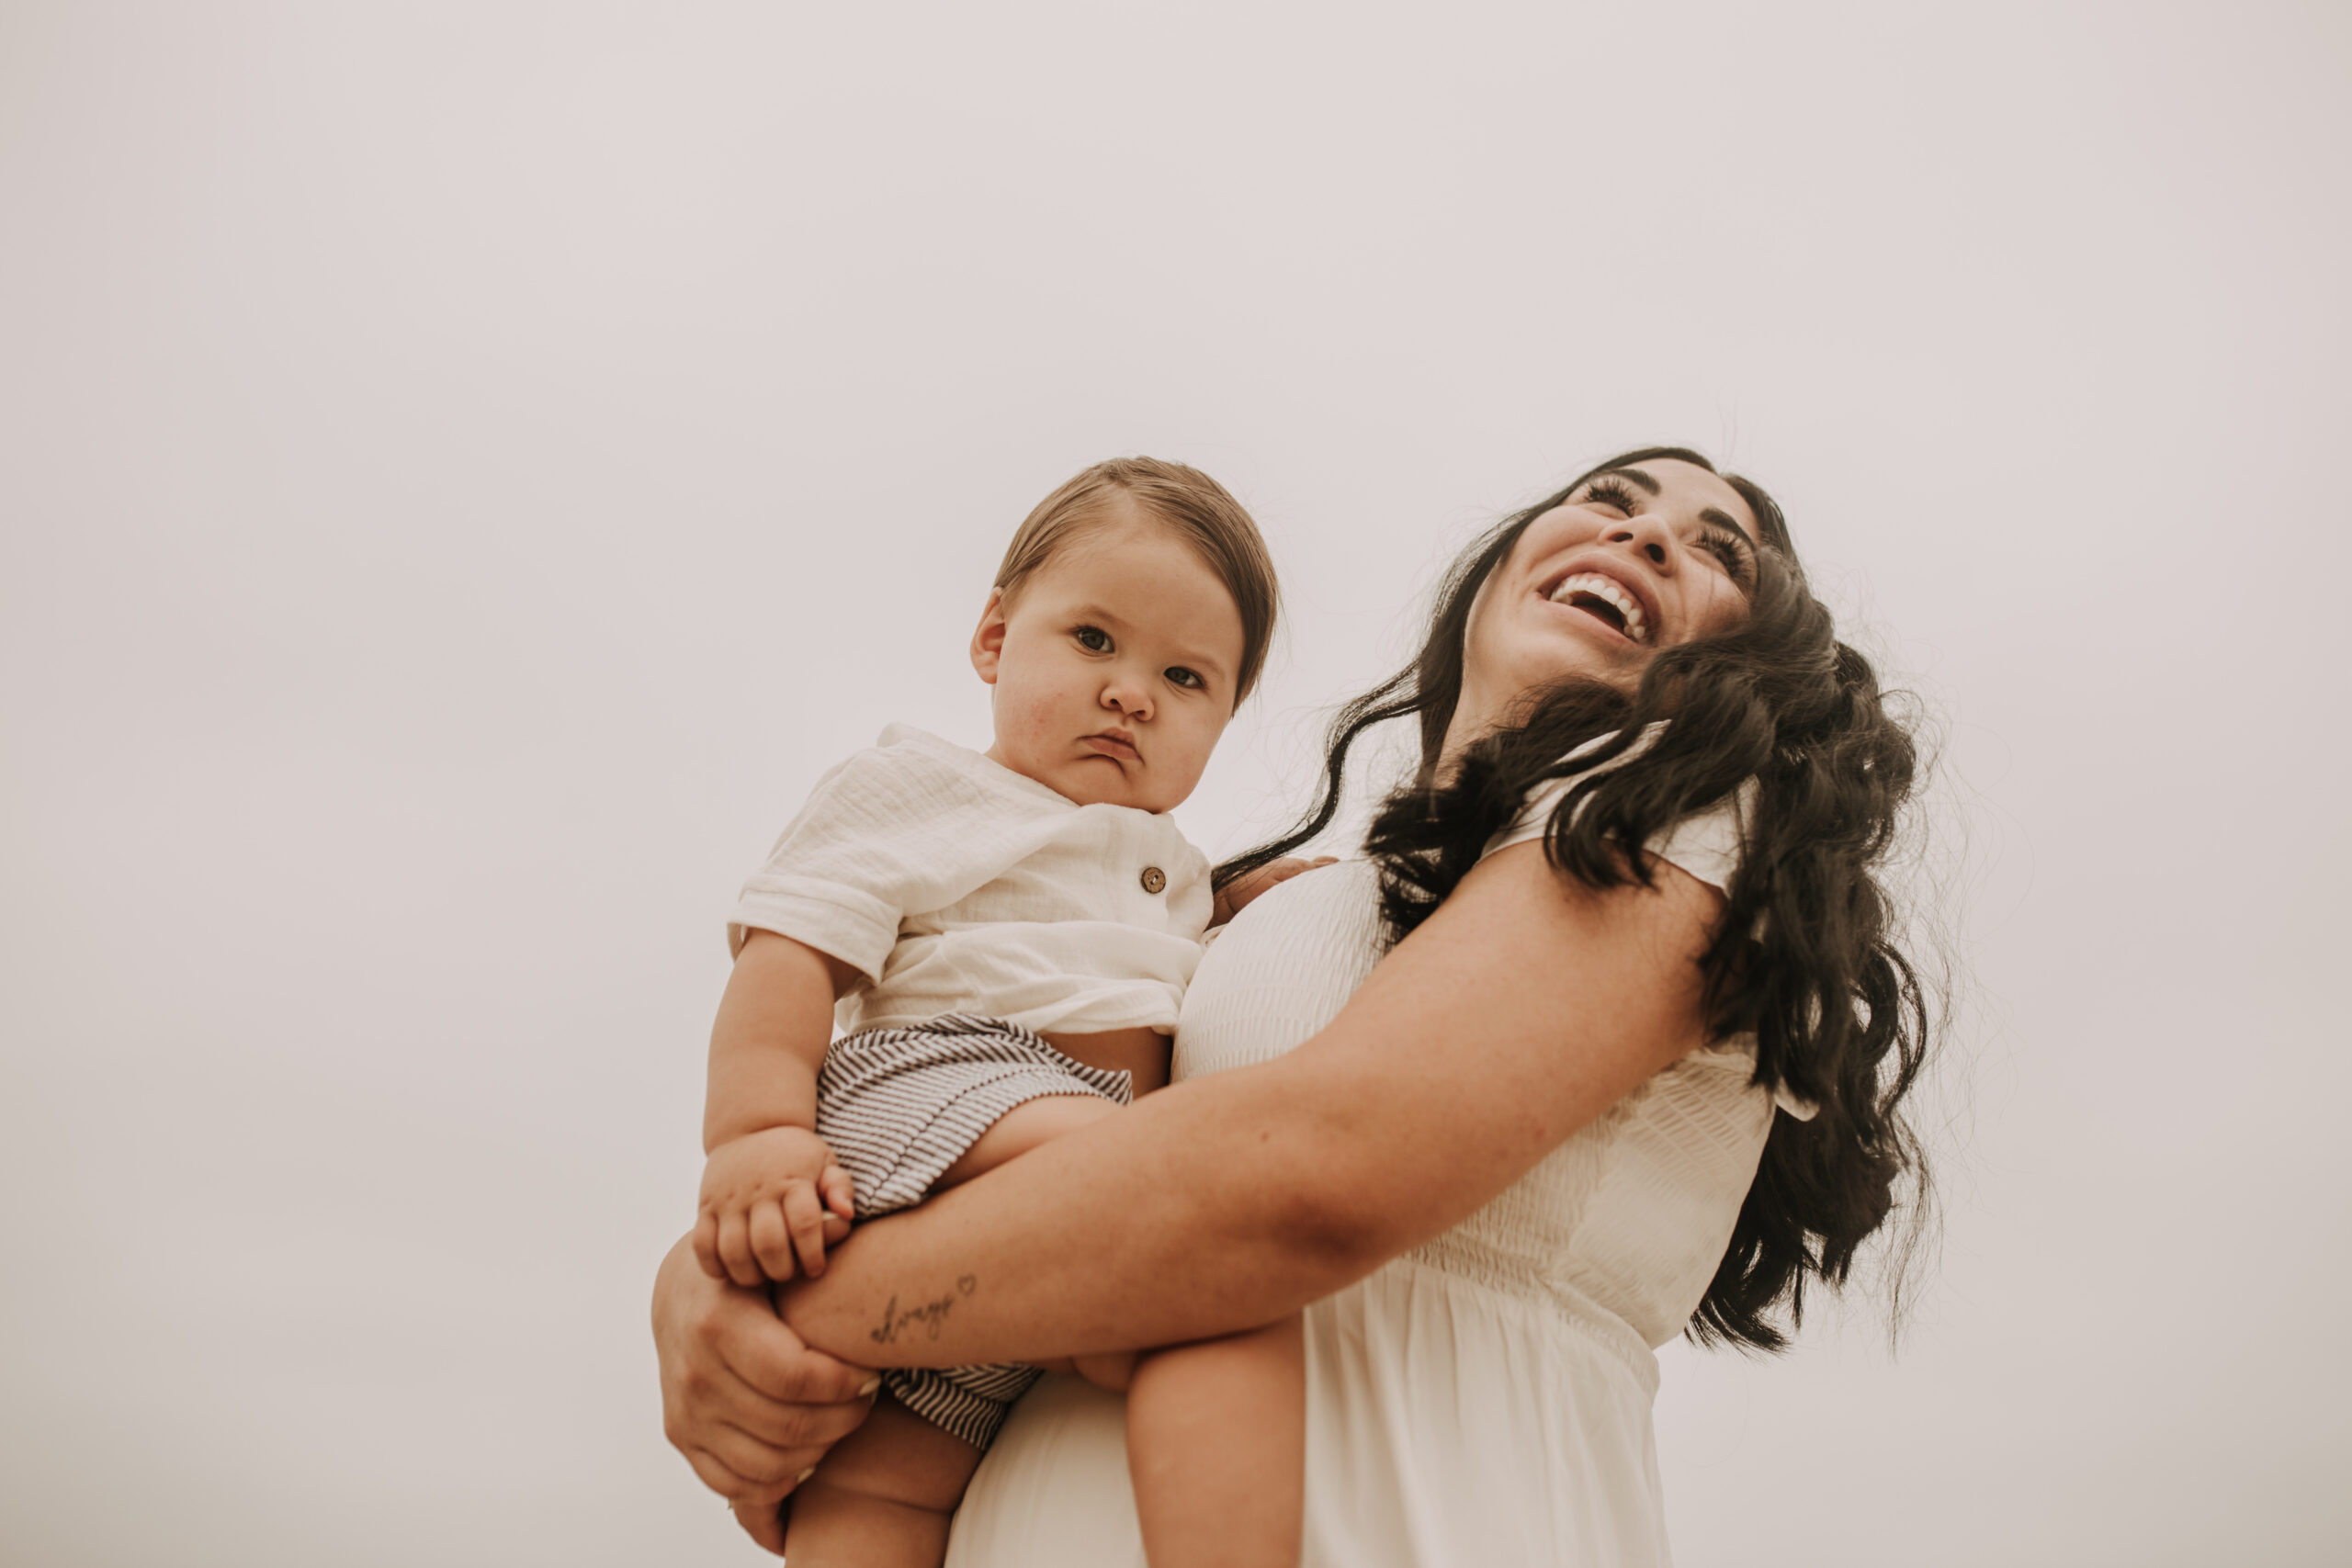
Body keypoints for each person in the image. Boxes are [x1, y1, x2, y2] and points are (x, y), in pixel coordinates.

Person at [653, 447, 1935, 1565]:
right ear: (1491, 576)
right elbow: (977, 1064)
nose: (1648, 532)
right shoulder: (1263, 902)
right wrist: (710, 1274)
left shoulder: (1686, 818)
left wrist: (801, 1308)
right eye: (1609, 499)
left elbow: (1290, 1178)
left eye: (1717, 549)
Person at [693, 455, 1319, 1568]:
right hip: (943, 1087)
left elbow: (1142, 959)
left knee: (884, 1491)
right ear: (992, 639)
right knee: (1223, 1278)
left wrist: (1235, 910)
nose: (1131, 691)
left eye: (1185, 679)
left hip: (1040, 1207)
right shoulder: (917, 789)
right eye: (1093, 641)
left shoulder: (1173, 868)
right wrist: (757, 1136)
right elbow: (791, 949)